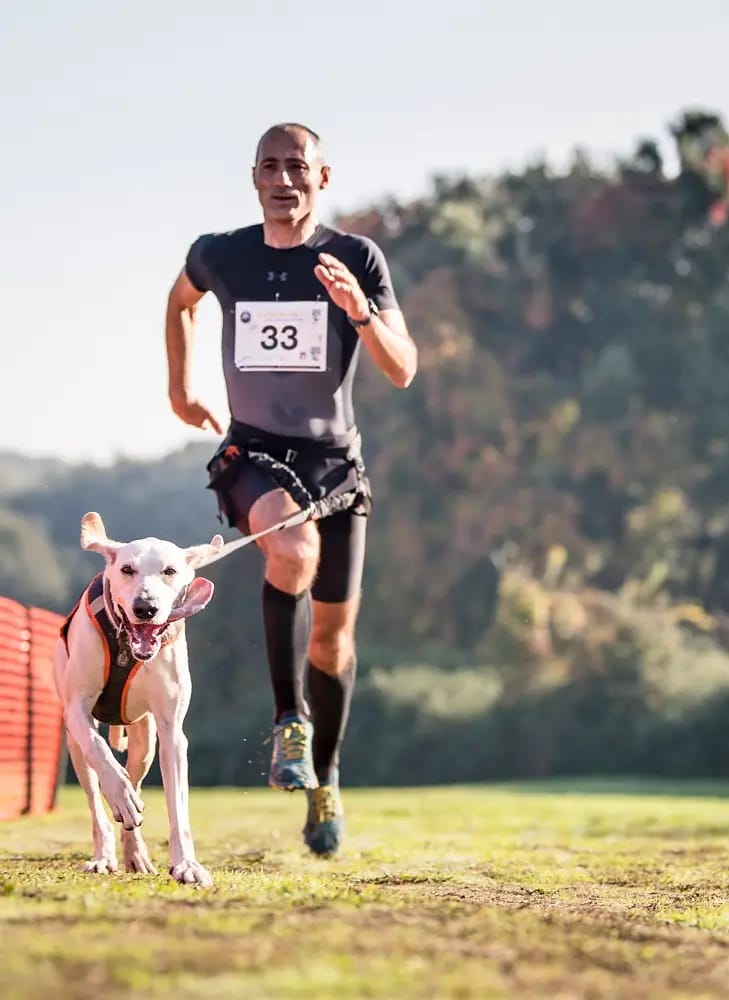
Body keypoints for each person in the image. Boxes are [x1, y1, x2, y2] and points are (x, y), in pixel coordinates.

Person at [164, 122, 417, 856]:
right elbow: (180, 302)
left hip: (336, 465)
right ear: (254, 178)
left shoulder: (355, 257)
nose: (284, 179)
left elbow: (402, 368)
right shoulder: (222, 255)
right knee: (290, 549)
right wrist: (180, 387)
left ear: (322, 177)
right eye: (270, 167)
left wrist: (360, 313)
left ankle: (325, 777)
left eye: (297, 167)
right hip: (253, 453)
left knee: (335, 640)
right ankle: (288, 722)